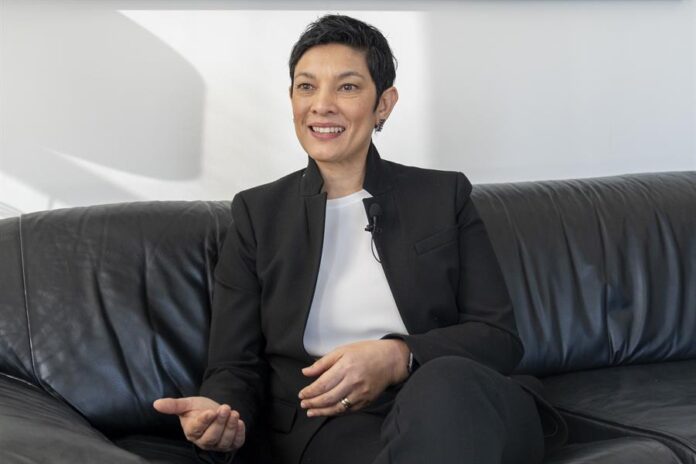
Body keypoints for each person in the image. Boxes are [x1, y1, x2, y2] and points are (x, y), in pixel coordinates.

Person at [154, 14, 550, 464]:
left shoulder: (444, 196)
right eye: (306, 87)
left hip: (460, 402)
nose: (321, 105)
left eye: (347, 87)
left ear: (384, 104)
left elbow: (498, 337)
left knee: (444, 388)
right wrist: (221, 416)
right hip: (330, 422)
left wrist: (398, 357)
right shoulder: (257, 214)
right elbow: (234, 365)